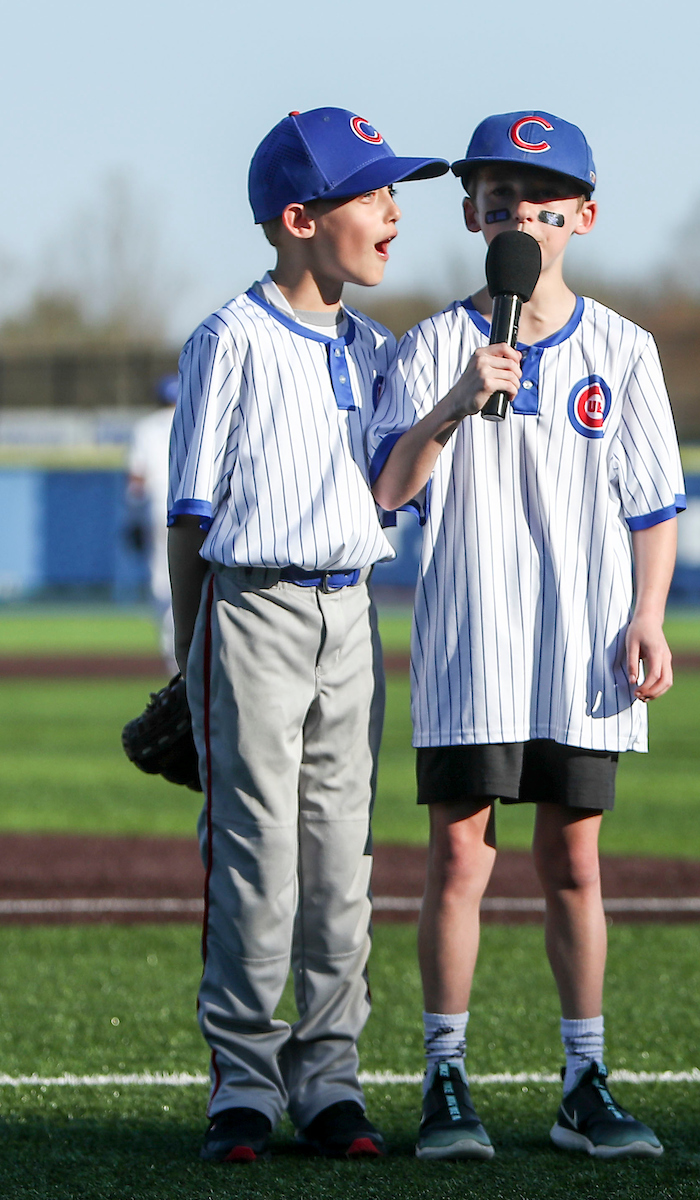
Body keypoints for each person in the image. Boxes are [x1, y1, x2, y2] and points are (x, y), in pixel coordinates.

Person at [370, 110, 685, 1161]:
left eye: (541, 200)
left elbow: (651, 503)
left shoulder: (624, 350)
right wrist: (455, 404)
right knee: (458, 858)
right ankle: (443, 1080)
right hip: (469, 641)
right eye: (498, 199)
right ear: (470, 215)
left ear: (581, 216)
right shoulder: (430, 346)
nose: (518, 215)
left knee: (572, 862)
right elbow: (389, 488)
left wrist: (647, 615)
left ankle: (582, 1081)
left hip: (578, 648)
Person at [167, 107, 447, 1164]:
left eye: (393, 191)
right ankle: (242, 1084)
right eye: (371, 193)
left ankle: (329, 1081)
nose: (392, 209)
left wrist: (450, 408)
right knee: (254, 860)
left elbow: (388, 486)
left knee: (340, 862)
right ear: (297, 218)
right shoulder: (226, 340)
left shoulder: (374, 346)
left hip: (350, 613)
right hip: (252, 608)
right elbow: (189, 522)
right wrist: (187, 660)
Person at [127, 373, 180, 675]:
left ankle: (174, 665)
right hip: (196, 510)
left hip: (156, 509)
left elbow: (136, 482)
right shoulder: (196, 418)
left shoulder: (145, 427)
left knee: (164, 590)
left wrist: (133, 520)